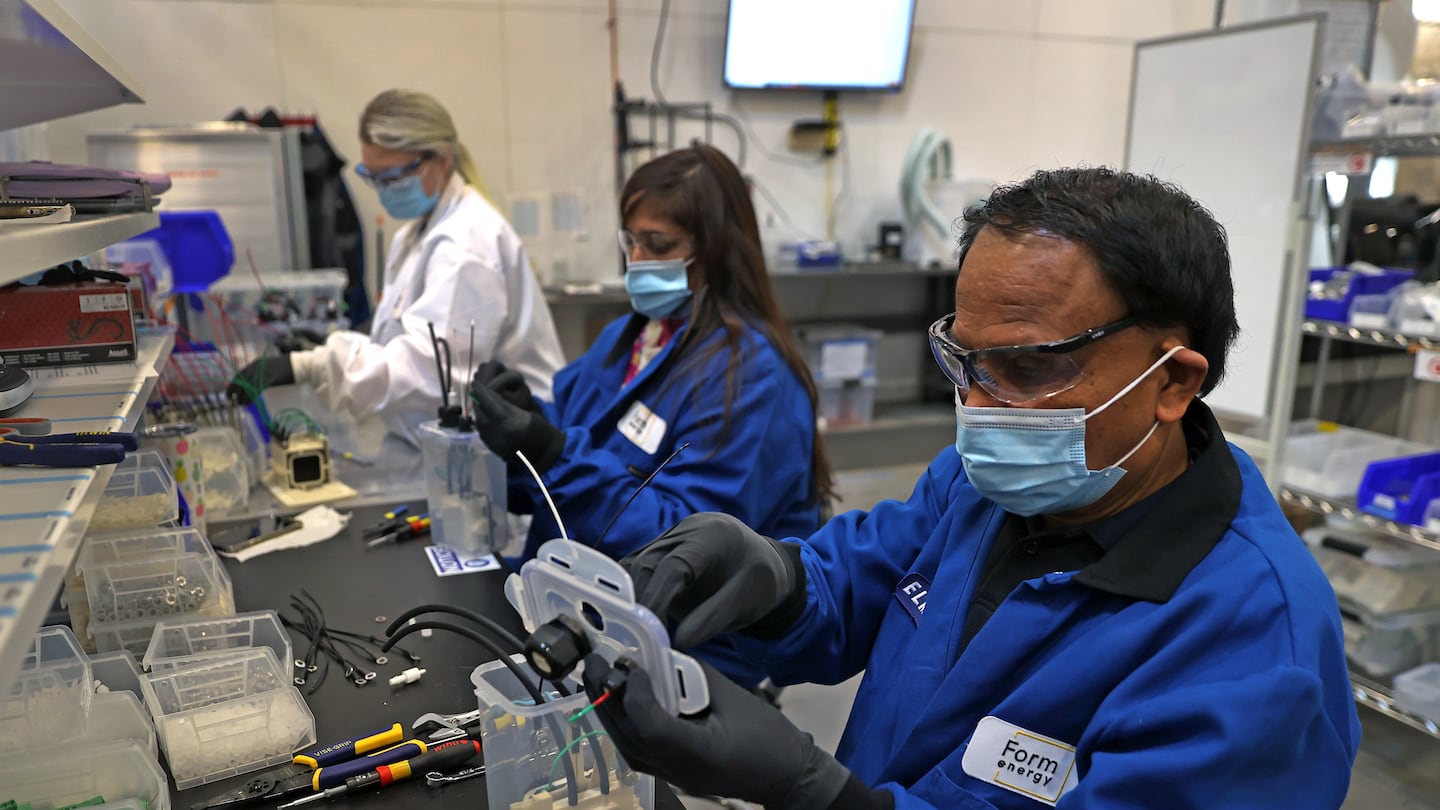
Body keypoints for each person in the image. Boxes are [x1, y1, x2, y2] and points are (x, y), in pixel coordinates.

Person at [577, 167, 1362, 809]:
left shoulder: (1255, 648)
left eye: (1026, 368)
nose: (978, 411)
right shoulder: (984, 486)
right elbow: (855, 578)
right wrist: (775, 577)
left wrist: (816, 796)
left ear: (1173, 384)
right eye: (965, 363)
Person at [467, 144, 834, 563]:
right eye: (630, 241)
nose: (636, 261)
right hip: (570, 585)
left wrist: (551, 454)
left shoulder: (751, 377)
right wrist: (523, 428)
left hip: (673, 617)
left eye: (657, 244)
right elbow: (566, 451)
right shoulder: (625, 339)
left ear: (716, 251)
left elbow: (690, 548)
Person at [228, 89, 564, 446]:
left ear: (442, 159)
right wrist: (335, 344)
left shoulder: (466, 245)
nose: (383, 190)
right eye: (372, 177)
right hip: (437, 442)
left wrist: (312, 366)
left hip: (510, 453)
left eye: (394, 177)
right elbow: (403, 336)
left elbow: (431, 372)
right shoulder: (414, 234)